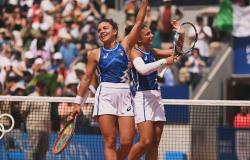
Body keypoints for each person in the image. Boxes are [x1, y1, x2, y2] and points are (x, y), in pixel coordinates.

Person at [72, 0, 148, 159]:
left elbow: (139, 22)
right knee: (110, 141)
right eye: (99, 30)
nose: (101, 31)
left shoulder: (125, 45)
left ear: (115, 31)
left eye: (105, 28)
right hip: (105, 95)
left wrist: (144, 2)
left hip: (125, 95)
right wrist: (77, 103)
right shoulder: (94, 54)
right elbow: (86, 79)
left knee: (127, 141)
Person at [127, 21, 179, 160]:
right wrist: (164, 61)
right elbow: (143, 70)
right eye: (148, 33)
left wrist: (180, 34)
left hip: (157, 97)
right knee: (146, 141)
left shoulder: (153, 51)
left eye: (151, 32)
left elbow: (177, 51)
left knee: (155, 142)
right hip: (143, 98)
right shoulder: (134, 52)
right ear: (139, 38)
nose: (152, 35)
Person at [21, 80, 51, 160]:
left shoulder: (47, 97)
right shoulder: (31, 97)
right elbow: (24, 111)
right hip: (34, 127)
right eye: (39, 86)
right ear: (36, 87)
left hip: (45, 129)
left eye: (43, 86)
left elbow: (48, 114)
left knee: (43, 150)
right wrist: (28, 122)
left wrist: (49, 128)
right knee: (33, 149)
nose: (41, 88)